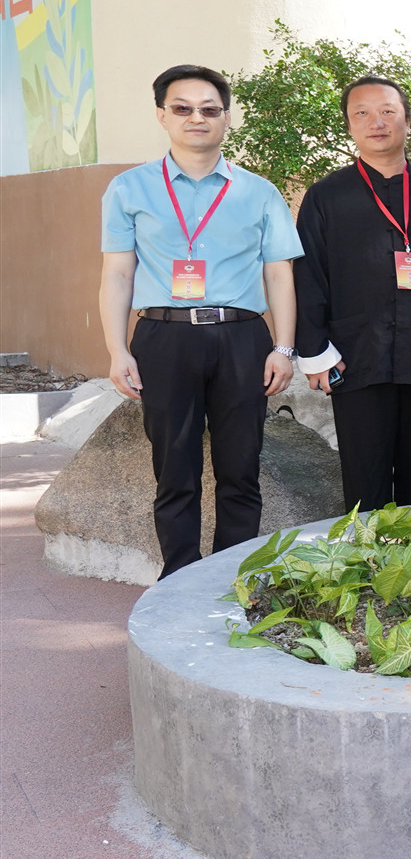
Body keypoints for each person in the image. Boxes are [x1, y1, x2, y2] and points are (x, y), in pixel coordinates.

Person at [99, 65, 303, 576]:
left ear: (226, 118)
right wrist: (118, 350)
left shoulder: (260, 192)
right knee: (174, 472)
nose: (197, 118)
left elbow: (279, 275)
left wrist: (283, 348)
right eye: (183, 108)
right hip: (163, 337)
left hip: (242, 339)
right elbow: (117, 274)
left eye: (210, 109)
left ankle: (232, 580)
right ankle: (179, 579)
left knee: (241, 471)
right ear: (162, 116)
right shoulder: (128, 189)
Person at [296, 76, 411, 512]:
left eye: (387, 112)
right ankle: (366, 554)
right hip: (354, 355)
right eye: (361, 113)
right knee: (365, 482)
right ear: (349, 125)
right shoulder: (325, 197)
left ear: (407, 121)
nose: (375, 122)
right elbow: (308, 275)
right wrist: (315, 351)